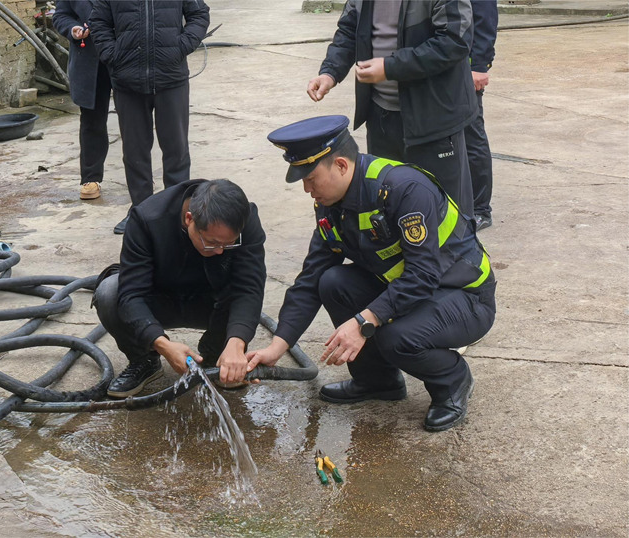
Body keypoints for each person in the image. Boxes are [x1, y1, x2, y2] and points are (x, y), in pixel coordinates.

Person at [247, 116, 496, 432]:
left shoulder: (403, 190)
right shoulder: (331, 204)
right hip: (413, 290)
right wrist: (277, 347)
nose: (307, 190)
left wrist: (365, 320)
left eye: (311, 179)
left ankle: (452, 381)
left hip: (465, 296)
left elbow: (422, 275)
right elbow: (310, 279)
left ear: (340, 165)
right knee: (332, 282)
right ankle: (378, 382)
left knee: (396, 337)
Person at [306, 0, 478, 219]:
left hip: (434, 119)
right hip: (381, 118)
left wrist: (391, 67)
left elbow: (455, 41)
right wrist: (330, 72)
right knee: (390, 206)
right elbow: (349, 31)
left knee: (444, 210)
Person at [94, 179, 266, 397]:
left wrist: (237, 343)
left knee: (242, 303)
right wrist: (161, 344)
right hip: (158, 298)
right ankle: (144, 360)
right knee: (109, 292)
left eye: (228, 244)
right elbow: (132, 294)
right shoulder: (147, 219)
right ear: (189, 220)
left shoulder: (245, 220)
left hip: (213, 302)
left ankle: (217, 355)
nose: (221, 251)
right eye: (212, 243)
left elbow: (249, 288)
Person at [88, 0, 210, 234]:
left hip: (171, 79)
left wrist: (182, 46)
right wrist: (112, 54)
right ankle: (141, 212)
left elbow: (199, 13)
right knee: (135, 152)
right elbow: (99, 21)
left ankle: (177, 210)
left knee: (176, 150)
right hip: (127, 81)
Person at [52, 0, 112, 200]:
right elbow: (61, 15)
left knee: (134, 119)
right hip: (89, 58)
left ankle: (140, 177)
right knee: (92, 121)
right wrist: (73, 29)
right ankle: (91, 177)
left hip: (124, 54)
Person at [466, 0, 498, 231]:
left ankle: (480, 209)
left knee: (471, 134)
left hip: (466, 68)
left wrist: (479, 65)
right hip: (438, 62)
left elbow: (485, 17)